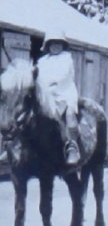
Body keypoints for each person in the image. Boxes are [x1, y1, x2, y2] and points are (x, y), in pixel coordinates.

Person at [35, 31, 81, 166]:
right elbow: (38, 75)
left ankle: (72, 145)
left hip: (63, 92)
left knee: (69, 114)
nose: (55, 46)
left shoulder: (66, 58)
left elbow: (64, 76)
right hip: (45, 93)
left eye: (58, 43)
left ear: (63, 45)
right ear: (48, 45)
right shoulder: (42, 61)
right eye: (52, 43)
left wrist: (50, 84)